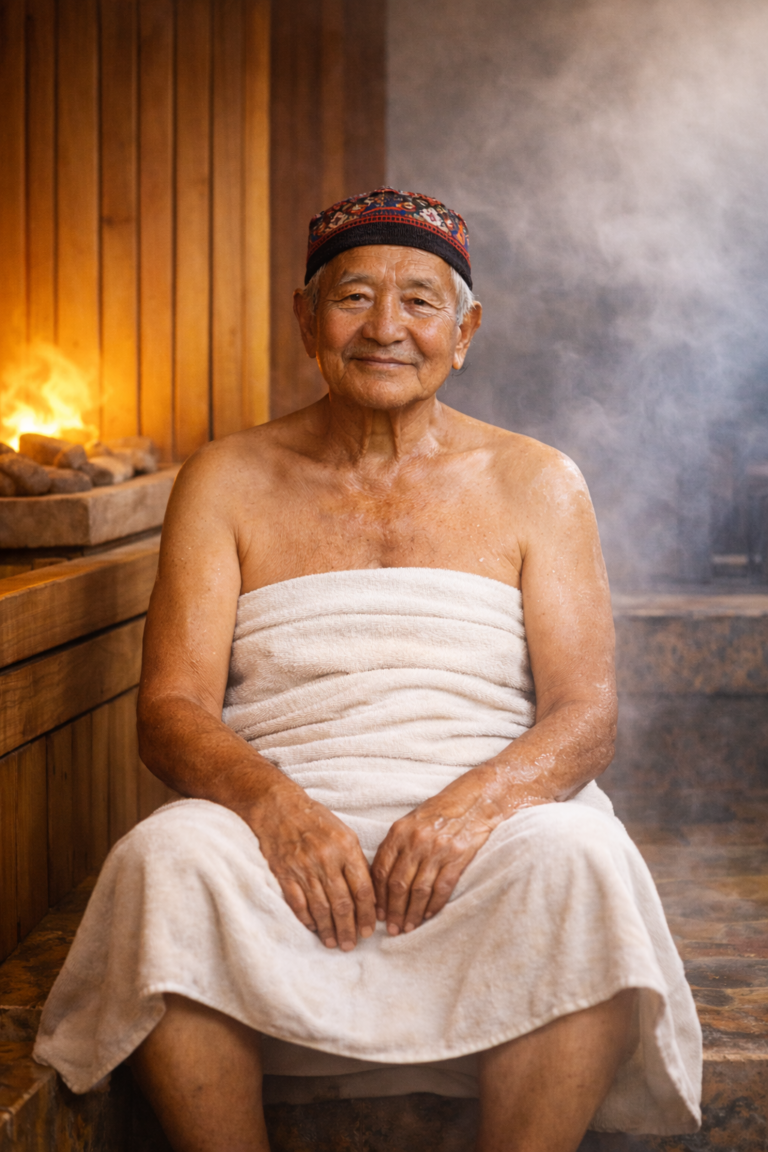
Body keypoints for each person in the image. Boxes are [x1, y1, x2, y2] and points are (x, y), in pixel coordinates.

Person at [35, 188, 702, 1152]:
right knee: (164, 858)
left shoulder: (537, 481)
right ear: (306, 321)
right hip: (284, 837)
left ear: (464, 330)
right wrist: (275, 806)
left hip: (490, 840)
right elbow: (171, 708)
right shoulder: (226, 479)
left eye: (421, 302)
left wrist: (469, 808)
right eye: (353, 297)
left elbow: (586, 714)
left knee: (585, 859)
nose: (386, 328)